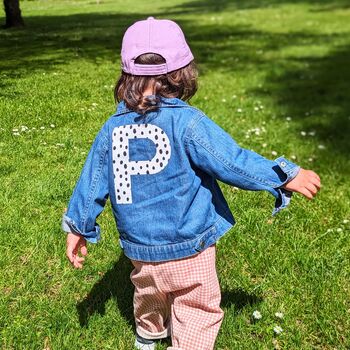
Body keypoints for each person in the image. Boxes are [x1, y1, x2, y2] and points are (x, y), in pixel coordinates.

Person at [62, 17, 321, 350]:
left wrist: (78, 226)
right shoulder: (189, 123)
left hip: (140, 247)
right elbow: (232, 162)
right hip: (189, 242)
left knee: (148, 291)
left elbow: (92, 180)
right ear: (181, 73)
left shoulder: (111, 129)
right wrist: (284, 175)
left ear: (126, 74)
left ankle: (147, 335)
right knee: (197, 306)